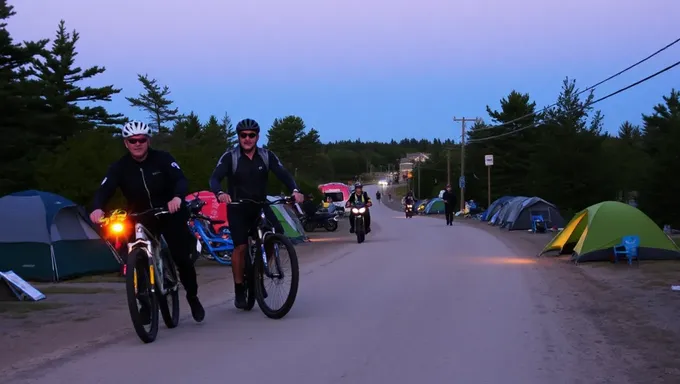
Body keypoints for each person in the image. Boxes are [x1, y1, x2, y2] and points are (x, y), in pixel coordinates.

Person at [89, 121, 205, 323]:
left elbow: (180, 179)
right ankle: (144, 303)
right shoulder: (119, 167)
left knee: (181, 257)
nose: (137, 143)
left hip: (169, 211)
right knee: (134, 256)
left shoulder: (163, 159)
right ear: (126, 143)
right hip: (140, 216)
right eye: (132, 140)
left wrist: (177, 197)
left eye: (141, 139)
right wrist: (97, 207)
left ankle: (192, 296)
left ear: (148, 141)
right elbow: (104, 189)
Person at [209, 118, 304, 309]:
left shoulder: (266, 156)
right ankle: (238, 288)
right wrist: (220, 193)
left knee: (275, 236)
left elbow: (283, 173)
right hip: (238, 207)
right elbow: (215, 178)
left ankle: (260, 270)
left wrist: (295, 190)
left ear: (257, 137)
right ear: (238, 137)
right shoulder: (230, 157)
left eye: (251, 135)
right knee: (241, 248)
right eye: (243, 135)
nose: (247, 139)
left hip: (260, 205)